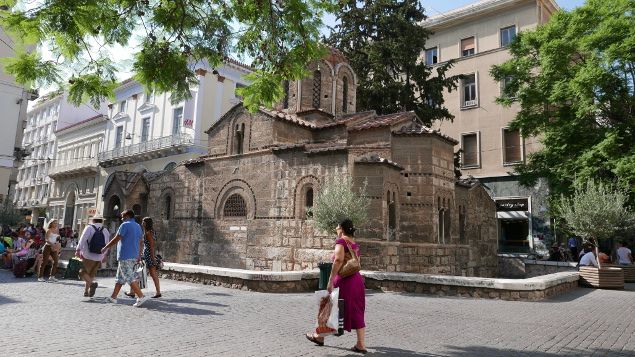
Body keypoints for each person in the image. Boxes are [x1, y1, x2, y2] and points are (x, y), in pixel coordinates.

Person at [306, 219, 367, 354]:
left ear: (342, 228)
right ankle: (361, 344)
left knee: (329, 306)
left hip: (345, 281)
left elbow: (338, 260)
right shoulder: (354, 244)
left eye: (337, 226)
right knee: (357, 310)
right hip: (357, 281)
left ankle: (319, 337)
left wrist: (330, 279)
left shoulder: (341, 242)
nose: (336, 228)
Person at [101, 209, 149, 307]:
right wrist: (139, 255)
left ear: (127, 216)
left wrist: (106, 247)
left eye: (123, 216)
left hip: (125, 255)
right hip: (134, 255)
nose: (121, 218)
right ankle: (113, 297)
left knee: (129, 277)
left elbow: (117, 238)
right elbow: (141, 242)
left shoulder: (125, 225)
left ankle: (141, 296)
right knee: (120, 278)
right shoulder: (138, 226)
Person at [125, 217, 161, 299]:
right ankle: (157, 292)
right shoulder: (151, 232)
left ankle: (132, 292)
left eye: (143, 222)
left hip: (148, 256)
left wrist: (152, 258)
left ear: (147, 223)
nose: (142, 223)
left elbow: (151, 246)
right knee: (150, 274)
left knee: (138, 273)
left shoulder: (148, 233)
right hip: (147, 255)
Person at [75, 215, 111, 298]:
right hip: (99, 256)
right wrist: (105, 255)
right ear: (101, 221)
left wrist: (78, 249)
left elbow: (83, 239)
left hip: (88, 255)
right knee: (91, 274)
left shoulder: (89, 228)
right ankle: (86, 291)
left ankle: (92, 284)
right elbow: (107, 243)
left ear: (93, 220)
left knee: (82, 272)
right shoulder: (105, 230)